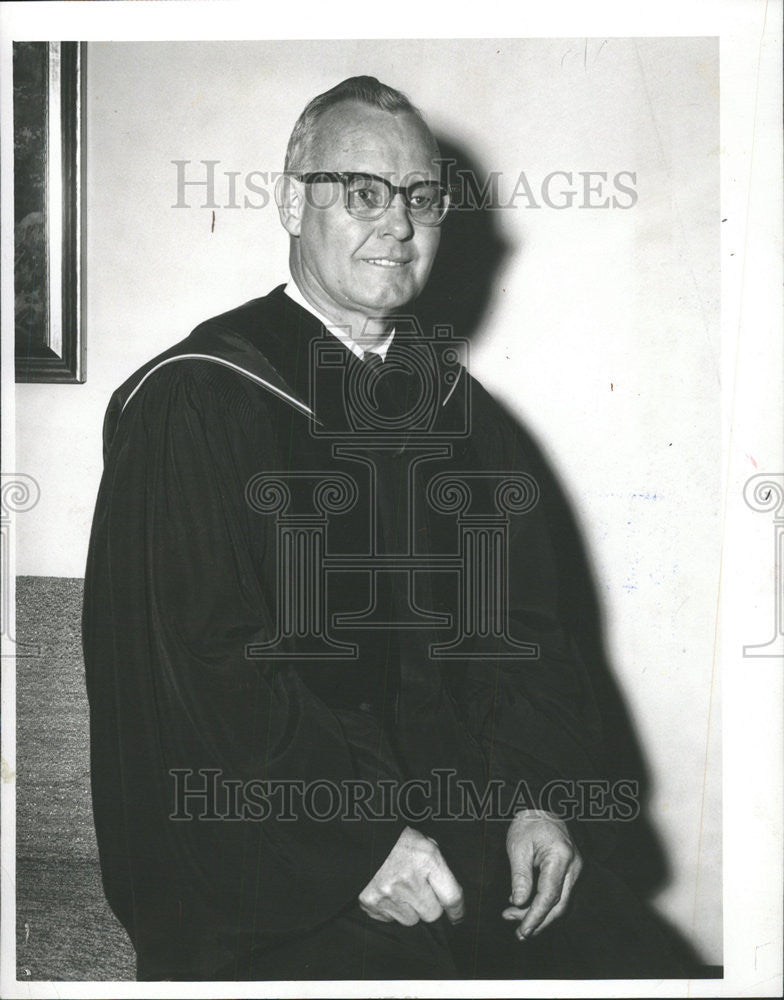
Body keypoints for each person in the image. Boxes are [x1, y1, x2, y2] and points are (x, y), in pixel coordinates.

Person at [83, 75, 686, 981]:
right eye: (362, 192)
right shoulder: (200, 399)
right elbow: (203, 671)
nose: (397, 224)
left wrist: (537, 800)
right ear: (293, 201)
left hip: (461, 824)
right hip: (268, 859)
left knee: (639, 958)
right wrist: (361, 843)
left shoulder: (461, 411)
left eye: (422, 198)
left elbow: (525, 636)